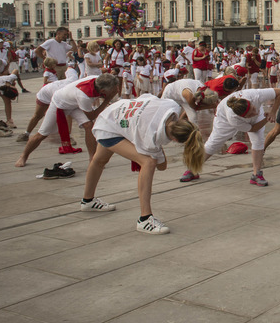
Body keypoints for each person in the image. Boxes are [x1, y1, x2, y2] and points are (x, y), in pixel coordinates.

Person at [84, 95, 205, 234]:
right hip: (110, 126)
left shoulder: (171, 106)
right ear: (175, 139)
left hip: (115, 113)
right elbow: (162, 166)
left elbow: (147, 96)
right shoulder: (151, 136)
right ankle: (145, 218)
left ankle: (87, 201)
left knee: (99, 160)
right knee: (148, 162)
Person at [15, 74, 120, 167]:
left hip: (74, 104)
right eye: (113, 90)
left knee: (89, 126)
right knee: (42, 134)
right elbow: (91, 116)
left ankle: (92, 158)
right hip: (59, 104)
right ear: (102, 91)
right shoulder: (83, 96)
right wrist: (106, 100)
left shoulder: (97, 79)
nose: (115, 90)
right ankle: (23, 155)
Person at [188, 88, 280, 186]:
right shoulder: (233, 119)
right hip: (223, 117)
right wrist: (266, 119)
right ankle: (192, 169)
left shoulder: (255, 95)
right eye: (250, 114)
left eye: (253, 109)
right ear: (242, 117)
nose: (254, 114)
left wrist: (272, 112)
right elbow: (253, 128)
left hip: (248, 109)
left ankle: (256, 174)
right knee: (213, 143)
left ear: (250, 102)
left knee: (258, 140)